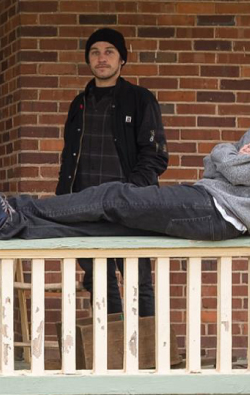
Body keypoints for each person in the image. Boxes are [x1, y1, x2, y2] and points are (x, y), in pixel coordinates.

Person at [0, 47, 250, 249]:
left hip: (219, 210)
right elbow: (213, 164)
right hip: (210, 202)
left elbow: (239, 171)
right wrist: (229, 153)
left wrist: (228, 153)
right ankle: (8, 226)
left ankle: (12, 207)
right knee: (103, 227)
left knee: (113, 196)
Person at [54, 28, 168, 366]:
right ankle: (114, 359)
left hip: (129, 206)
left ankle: (148, 361)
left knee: (138, 282)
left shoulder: (140, 99)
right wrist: (63, 202)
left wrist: (130, 192)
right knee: (100, 282)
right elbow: (69, 158)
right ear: (88, 59)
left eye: (109, 51)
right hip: (85, 209)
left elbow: (155, 156)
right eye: (95, 52)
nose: (101, 58)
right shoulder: (79, 104)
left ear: (122, 59)